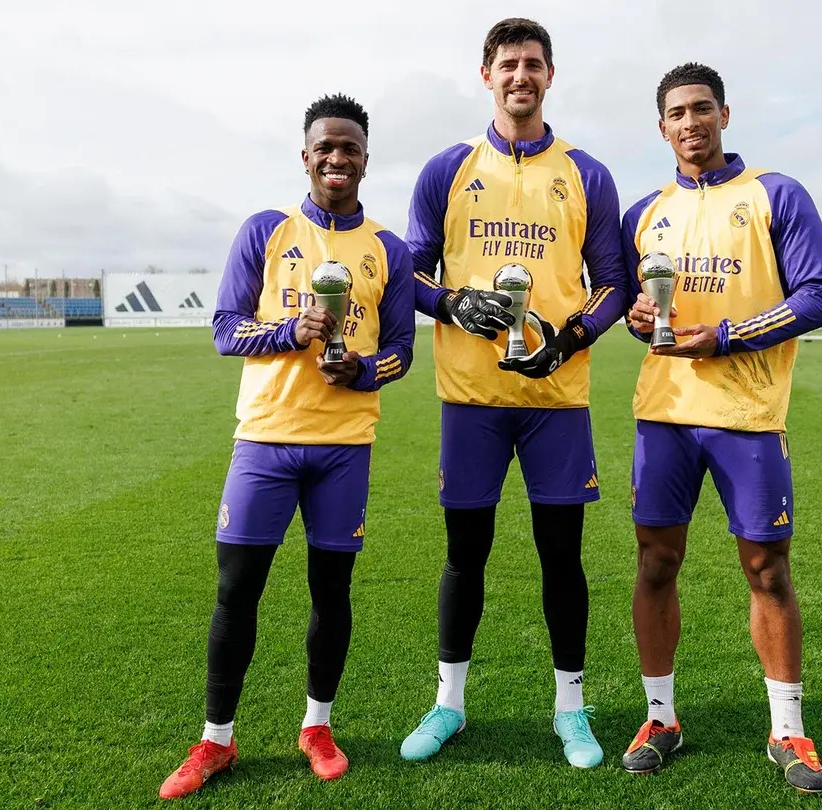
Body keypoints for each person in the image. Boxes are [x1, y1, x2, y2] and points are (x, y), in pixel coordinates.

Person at [158, 93, 415, 798]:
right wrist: (288, 332)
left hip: (344, 447)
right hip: (266, 442)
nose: (338, 159)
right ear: (305, 156)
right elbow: (223, 329)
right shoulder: (266, 230)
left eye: (350, 149)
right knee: (237, 593)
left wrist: (359, 369)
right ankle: (216, 742)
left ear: (365, 159)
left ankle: (317, 725)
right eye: (325, 148)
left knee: (332, 592)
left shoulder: (388, 248)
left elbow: (400, 352)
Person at [398, 17, 627, 769]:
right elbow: (411, 272)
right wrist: (452, 305)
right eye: (507, 64)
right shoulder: (447, 169)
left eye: (532, 64)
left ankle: (572, 711)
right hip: (470, 401)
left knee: (562, 557)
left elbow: (615, 285)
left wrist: (570, 338)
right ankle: (448, 705)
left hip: (556, 403)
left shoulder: (587, 172)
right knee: (467, 556)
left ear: (550, 76)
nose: (519, 76)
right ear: (486, 74)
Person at [617, 63, 822, 794]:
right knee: (655, 565)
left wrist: (730, 335)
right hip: (665, 416)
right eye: (677, 113)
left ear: (724, 114)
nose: (691, 122)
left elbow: (818, 297)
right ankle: (660, 718)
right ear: (662, 128)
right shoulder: (643, 214)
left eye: (702, 108)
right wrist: (637, 318)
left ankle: (788, 731)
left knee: (768, 570)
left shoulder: (775, 194)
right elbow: (637, 313)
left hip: (747, 416)